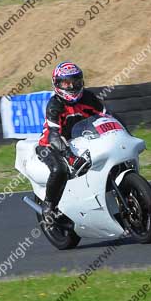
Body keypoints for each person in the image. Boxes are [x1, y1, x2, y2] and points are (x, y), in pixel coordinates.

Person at [37, 61, 106, 224]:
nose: (71, 86)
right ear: (57, 84)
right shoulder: (54, 104)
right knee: (60, 169)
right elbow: (54, 136)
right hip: (49, 145)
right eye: (66, 82)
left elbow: (107, 117)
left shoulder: (89, 97)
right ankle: (49, 206)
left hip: (79, 140)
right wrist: (70, 157)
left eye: (75, 81)